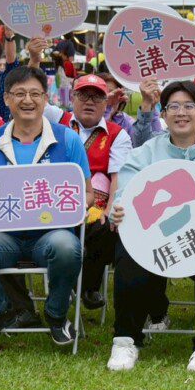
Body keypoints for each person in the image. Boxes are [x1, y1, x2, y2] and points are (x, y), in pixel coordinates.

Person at [106, 80, 195, 373]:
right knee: (127, 256)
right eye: (173, 106)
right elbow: (124, 195)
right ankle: (126, 340)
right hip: (156, 239)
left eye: (189, 106)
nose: (181, 113)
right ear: (163, 113)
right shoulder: (145, 153)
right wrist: (117, 212)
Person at [0, 67, 91, 347]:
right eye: (19, 94)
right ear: (6, 99)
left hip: (50, 235)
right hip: (5, 238)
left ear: (45, 99)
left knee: (68, 247)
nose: (27, 100)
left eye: (34, 94)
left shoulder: (68, 140)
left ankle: (56, 316)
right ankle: (0, 312)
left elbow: (87, 192)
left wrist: (79, 206)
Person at [55, 74, 134, 311]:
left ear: (105, 103)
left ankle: (87, 287)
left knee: (107, 226)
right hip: (58, 202)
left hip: (97, 204)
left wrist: (109, 210)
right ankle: (64, 283)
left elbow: (118, 177)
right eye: (83, 96)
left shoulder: (117, 133)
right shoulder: (57, 125)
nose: (90, 102)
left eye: (97, 97)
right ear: (72, 98)